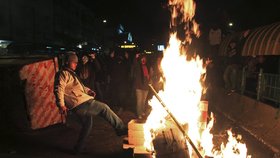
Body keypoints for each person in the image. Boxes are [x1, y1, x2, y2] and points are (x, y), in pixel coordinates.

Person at [54, 52, 127, 154]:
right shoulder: (63, 73)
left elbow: (79, 87)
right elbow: (59, 89)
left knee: (87, 125)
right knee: (104, 108)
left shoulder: (71, 73)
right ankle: (121, 128)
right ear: (67, 62)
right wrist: (61, 105)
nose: (76, 64)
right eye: (73, 62)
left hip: (79, 102)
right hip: (80, 103)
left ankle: (78, 148)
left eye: (76, 62)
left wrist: (88, 91)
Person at [131, 53, 151, 119]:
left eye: (144, 59)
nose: (143, 60)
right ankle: (139, 114)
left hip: (145, 87)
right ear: (140, 59)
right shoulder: (138, 66)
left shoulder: (147, 66)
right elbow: (134, 63)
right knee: (139, 101)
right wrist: (135, 57)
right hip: (139, 87)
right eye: (142, 59)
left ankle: (142, 112)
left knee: (143, 101)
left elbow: (148, 76)